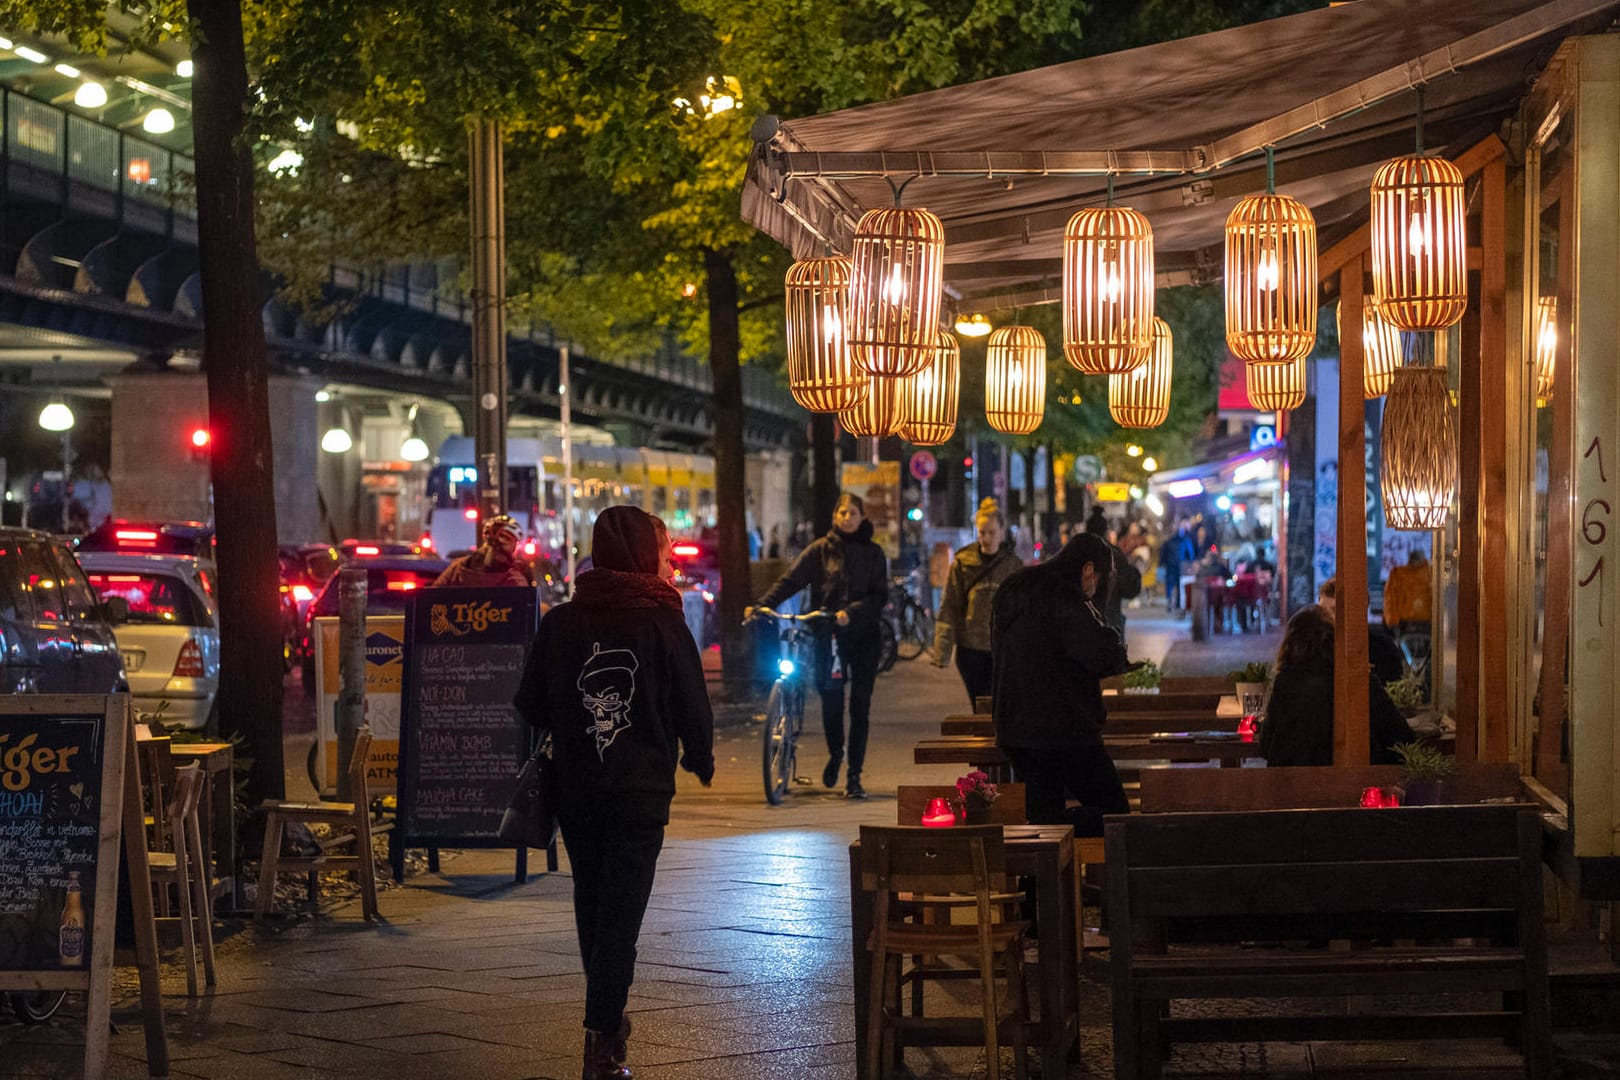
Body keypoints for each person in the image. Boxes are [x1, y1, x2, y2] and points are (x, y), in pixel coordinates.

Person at [512, 506, 714, 1080]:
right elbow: (692, 708)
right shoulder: (664, 624)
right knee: (621, 915)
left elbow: (529, 704)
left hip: (577, 790)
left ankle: (607, 1022)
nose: (670, 557)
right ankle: (601, 1041)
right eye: (665, 547)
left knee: (594, 904)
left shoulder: (560, 623)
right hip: (641, 791)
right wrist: (699, 758)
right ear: (643, 555)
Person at [991, 533, 1132, 836]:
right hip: (1065, 731)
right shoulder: (1067, 599)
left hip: (1015, 729)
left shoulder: (1016, 588)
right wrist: (1107, 629)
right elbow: (1102, 657)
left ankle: (1039, 876)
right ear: (1088, 570)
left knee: (1043, 820)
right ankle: (1051, 832)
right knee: (1116, 815)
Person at [749, 492, 888, 798]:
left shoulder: (874, 553)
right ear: (835, 516)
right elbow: (790, 581)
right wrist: (762, 605)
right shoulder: (820, 551)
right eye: (842, 513)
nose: (846, 518)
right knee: (831, 701)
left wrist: (850, 614)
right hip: (829, 637)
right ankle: (836, 753)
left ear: (861, 517)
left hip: (864, 637)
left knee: (860, 706)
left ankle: (854, 777)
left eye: (852, 513)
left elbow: (880, 597)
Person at [1257, 604, 1411, 766]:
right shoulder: (1360, 681)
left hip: (1294, 788)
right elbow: (1402, 739)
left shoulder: (1286, 682)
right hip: (1355, 787)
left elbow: (1266, 746)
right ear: (1336, 641)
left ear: (1290, 644)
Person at [931, 506, 1022, 708]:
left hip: (1001, 647)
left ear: (1002, 532)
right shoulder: (963, 563)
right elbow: (950, 605)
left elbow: (1022, 609)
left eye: (992, 532)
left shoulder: (1013, 566)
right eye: (982, 532)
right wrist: (942, 651)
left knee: (997, 704)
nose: (987, 538)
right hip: (970, 648)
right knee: (978, 704)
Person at [1318, 576, 1406, 685]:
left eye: (1335, 611)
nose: (1328, 618)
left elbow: (1393, 692)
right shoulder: (1315, 648)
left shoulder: (1383, 649)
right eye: (1323, 612)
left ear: (1358, 612)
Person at [432, 513, 535, 588]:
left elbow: (432, 597)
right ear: (514, 546)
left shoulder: (457, 568)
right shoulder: (517, 577)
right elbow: (528, 609)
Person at [1083, 511, 1141, 635]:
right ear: (1105, 531)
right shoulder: (1114, 555)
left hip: (1080, 626)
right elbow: (1131, 589)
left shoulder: (1076, 555)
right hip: (1110, 624)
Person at [1382, 549, 1433, 634]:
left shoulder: (1431, 574)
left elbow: (1390, 600)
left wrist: (1393, 622)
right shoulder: (1431, 574)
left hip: (1411, 624)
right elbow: (1390, 600)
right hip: (1409, 623)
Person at [1159, 520, 1195, 612]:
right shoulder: (1185, 540)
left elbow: (1163, 553)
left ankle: (1170, 602)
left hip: (1171, 565)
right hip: (1180, 566)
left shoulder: (1168, 540)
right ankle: (1178, 604)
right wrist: (1189, 563)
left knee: (1170, 584)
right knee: (1179, 585)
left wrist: (1162, 563)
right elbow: (1190, 554)